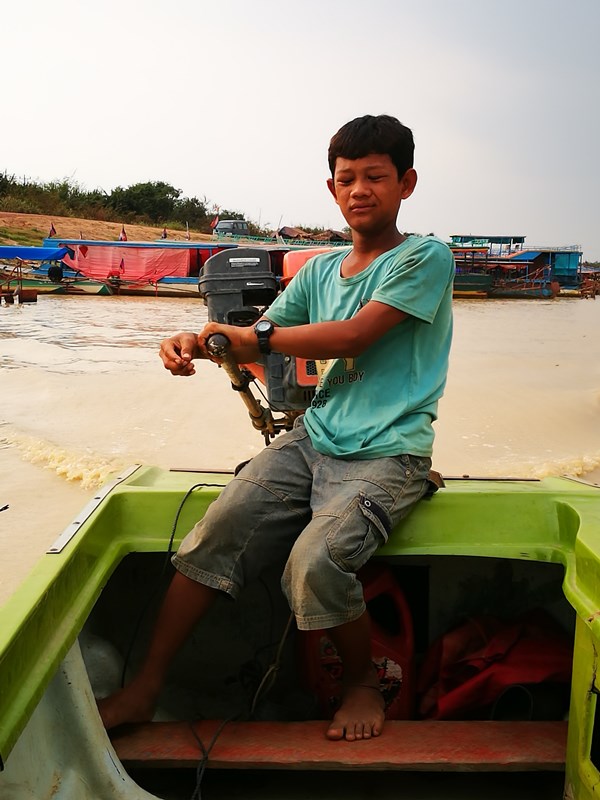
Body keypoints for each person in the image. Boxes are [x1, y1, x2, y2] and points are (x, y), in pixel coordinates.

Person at [98, 114, 455, 741]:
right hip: (314, 439)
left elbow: (353, 335)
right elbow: (263, 341)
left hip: (388, 453)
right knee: (213, 534)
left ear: (407, 183)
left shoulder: (424, 258)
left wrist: (250, 334)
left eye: (376, 176)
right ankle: (144, 689)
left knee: (315, 562)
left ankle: (362, 684)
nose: (360, 190)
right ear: (332, 189)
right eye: (347, 179)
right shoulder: (318, 273)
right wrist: (199, 341)